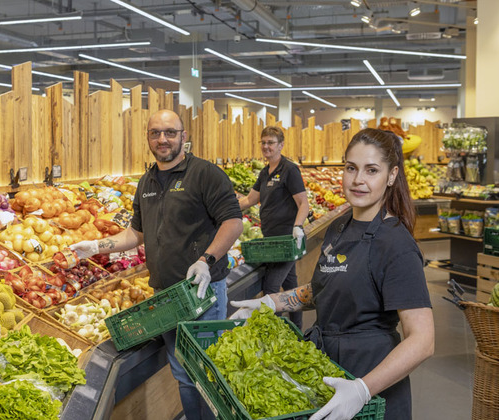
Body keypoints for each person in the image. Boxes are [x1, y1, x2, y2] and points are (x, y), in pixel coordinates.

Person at [231, 128, 435, 420]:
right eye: (351, 168)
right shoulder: (339, 228)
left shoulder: (396, 245)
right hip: (328, 368)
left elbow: (423, 340)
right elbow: (326, 286)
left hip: (371, 377)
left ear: (391, 176)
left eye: (372, 170)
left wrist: (362, 389)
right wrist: (273, 302)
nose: (358, 180)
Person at [71, 109, 243, 420]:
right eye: (155, 133)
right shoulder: (147, 181)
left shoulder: (205, 174)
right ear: (148, 138)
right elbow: (136, 233)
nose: (162, 139)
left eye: (169, 132)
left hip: (201, 291)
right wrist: (97, 246)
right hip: (165, 295)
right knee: (183, 374)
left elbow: (233, 222)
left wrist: (206, 260)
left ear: (183, 137)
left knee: (206, 373)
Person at [238, 126, 309, 329]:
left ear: (281, 145)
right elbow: (251, 199)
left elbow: (304, 203)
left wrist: (298, 227)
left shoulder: (289, 170)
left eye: (271, 142)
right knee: (290, 286)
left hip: (286, 241)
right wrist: (227, 208)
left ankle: (273, 332)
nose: (266, 146)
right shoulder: (265, 172)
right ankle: (299, 330)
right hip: (271, 241)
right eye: (263, 142)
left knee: (270, 287)